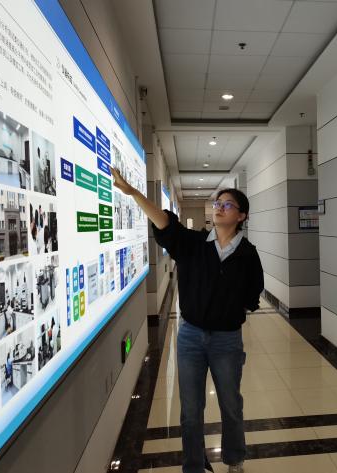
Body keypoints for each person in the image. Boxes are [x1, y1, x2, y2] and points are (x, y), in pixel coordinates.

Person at [111, 167, 263, 473]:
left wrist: (226, 311)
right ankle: (193, 466)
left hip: (226, 341)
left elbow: (252, 294)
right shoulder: (194, 244)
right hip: (190, 337)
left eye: (228, 204)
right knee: (191, 410)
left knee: (231, 405)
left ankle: (234, 458)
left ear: (242, 216)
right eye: (217, 203)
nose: (219, 207)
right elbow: (165, 224)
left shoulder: (248, 254)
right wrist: (134, 193)